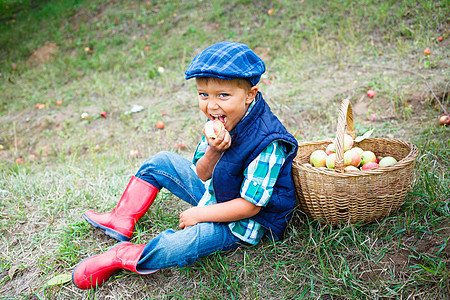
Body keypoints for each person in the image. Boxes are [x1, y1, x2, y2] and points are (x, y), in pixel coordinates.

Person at [72, 41, 299, 289]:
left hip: (244, 223)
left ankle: (123, 255)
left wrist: (198, 214)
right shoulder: (221, 119)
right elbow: (200, 174)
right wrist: (214, 149)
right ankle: (120, 218)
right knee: (161, 162)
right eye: (204, 95)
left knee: (184, 244)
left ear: (249, 95)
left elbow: (250, 206)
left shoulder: (268, 142)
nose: (211, 105)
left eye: (223, 95)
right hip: (220, 192)